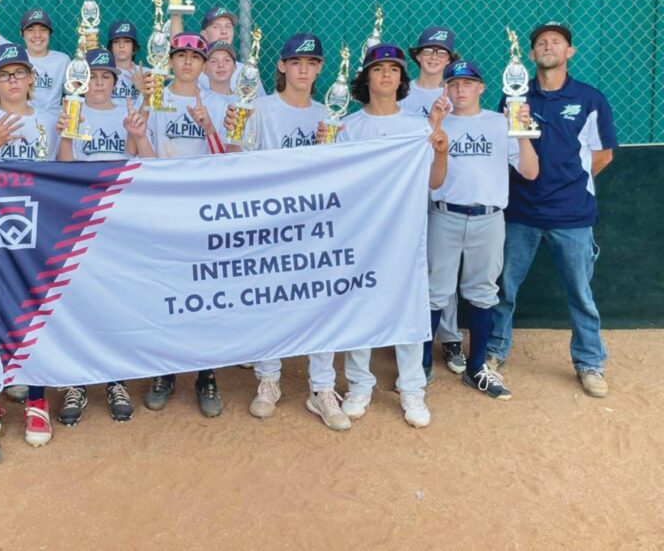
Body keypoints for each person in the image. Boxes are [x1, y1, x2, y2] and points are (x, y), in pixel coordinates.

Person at [223, 33, 351, 430]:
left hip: (315, 224)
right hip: (271, 221)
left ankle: (322, 389)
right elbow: (235, 162)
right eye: (296, 62)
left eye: (311, 64)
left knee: (320, 301)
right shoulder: (258, 108)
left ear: (319, 70)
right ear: (281, 66)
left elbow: (341, 176)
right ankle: (268, 379)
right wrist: (234, 131)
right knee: (269, 301)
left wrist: (326, 149)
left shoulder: (328, 114)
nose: (303, 69)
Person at [487, 22, 617, 398]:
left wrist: (568, 184)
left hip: (573, 216)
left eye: (556, 42)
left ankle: (590, 362)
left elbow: (603, 155)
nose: (548, 47)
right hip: (520, 212)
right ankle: (494, 350)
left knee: (580, 293)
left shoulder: (591, 99)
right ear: (531, 55)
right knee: (504, 289)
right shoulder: (514, 98)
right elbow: (504, 151)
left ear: (569, 52)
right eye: (541, 43)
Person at [336, 43, 449, 428]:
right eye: (379, 68)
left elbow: (434, 182)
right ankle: (358, 384)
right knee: (359, 305)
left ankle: (412, 387)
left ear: (402, 79)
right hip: (360, 233)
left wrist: (442, 152)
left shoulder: (418, 127)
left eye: (394, 70)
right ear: (366, 76)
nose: (387, 75)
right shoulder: (348, 126)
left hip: (404, 232)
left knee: (408, 307)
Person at [423, 59, 539, 400]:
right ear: (445, 88)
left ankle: (477, 368)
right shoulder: (435, 123)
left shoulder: (499, 123)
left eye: (468, 83)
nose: (461, 90)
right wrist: (433, 128)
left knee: (483, 292)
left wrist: (522, 134)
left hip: (488, 218)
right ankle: (422, 366)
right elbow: (429, 181)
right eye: (454, 84)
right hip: (444, 215)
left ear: (481, 88)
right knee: (435, 291)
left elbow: (531, 172)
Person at [0, 42, 61, 445]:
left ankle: (36, 398)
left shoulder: (49, 119)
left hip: (35, 227)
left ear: (32, 78)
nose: (13, 81)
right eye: (4, 75)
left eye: (20, 73)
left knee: (35, 310)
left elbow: (60, 174)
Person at [55, 49, 150, 426]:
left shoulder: (124, 113)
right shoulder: (70, 111)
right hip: (79, 214)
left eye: (105, 77)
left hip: (116, 216)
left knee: (113, 299)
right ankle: (77, 382)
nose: (97, 83)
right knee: (76, 299)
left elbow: (134, 161)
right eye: (92, 77)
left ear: (115, 81)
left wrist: (136, 134)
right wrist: (65, 135)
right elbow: (62, 167)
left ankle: (115, 379)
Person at [134, 33, 227, 416]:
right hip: (166, 208)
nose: (187, 62)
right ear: (169, 61)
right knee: (166, 289)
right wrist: (139, 132)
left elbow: (231, 162)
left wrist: (209, 128)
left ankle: (206, 374)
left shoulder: (221, 103)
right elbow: (145, 154)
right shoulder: (157, 100)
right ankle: (165, 370)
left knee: (204, 293)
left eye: (195, 56)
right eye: (180, 56)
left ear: (205, 64)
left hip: (204, 210)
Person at [400, 27, 466, 374]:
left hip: (446, 187)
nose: (434, 57)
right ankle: (407, 334)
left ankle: (451, 336)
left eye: (441, 53)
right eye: (428, 51)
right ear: (417, 56)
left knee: (443, 265)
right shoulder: (403, 92)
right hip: (407, 188)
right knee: (409, 263)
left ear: (450, 59)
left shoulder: (457, 91)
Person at [0, 0, 68, 115]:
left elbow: (75, 91)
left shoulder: (62, 60)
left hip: (51, 123)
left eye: (43, 29)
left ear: (50, 33)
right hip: (20, 118)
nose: (37, 35)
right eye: (30, 30)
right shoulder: (14, 54)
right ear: (21, 34)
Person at [168, 4, 265, 96]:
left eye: (228, 26)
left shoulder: (247, 72)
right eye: (216, 27)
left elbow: (259, 104)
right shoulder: (194, 69)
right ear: (204, 34)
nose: (224, 31)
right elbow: (178, 44)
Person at [106, 19, 144, 109]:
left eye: (127, 41)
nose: (121, 45)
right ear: (111, 47)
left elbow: (154, 109)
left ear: (134, 47)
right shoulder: (103, 73)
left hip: (138, 121)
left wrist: (142, 88)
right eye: (116, 41)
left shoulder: (146, 73)